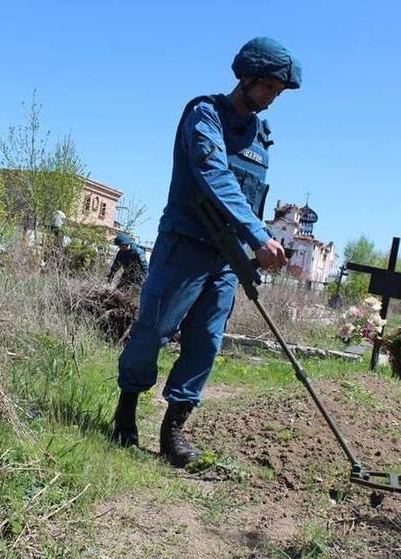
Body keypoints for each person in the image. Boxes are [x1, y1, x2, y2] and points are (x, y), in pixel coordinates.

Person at [112, 37, 301, 467]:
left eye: (279, 92)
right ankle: (126, 410)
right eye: (270, 87)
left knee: (206, 343)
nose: (273, 99)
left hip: (227, 259)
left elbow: (249, 197)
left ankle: (173, 429)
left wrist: (256, 245)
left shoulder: (261, 135)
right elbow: (214, 176)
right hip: (186, 246)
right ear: (248, 77)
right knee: (154, 331)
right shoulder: (205, 115)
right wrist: (257, 235)